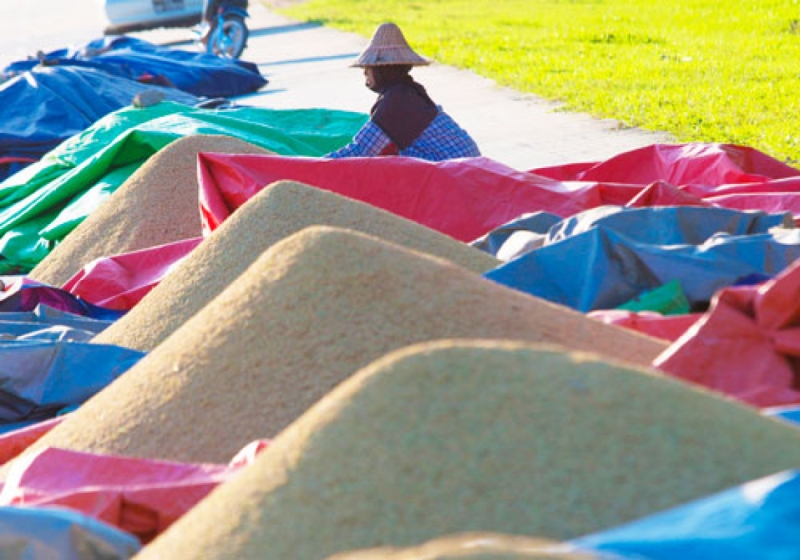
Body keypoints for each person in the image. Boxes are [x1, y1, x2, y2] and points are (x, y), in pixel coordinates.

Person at [326, 22, 481, 161]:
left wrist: (316, 165)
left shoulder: (396, 101)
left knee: (383, 165)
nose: (365, 72)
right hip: (468, 163)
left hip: (455, 172)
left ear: (382, 70)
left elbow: (359, 151)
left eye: (368, 67)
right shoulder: (409, 91)